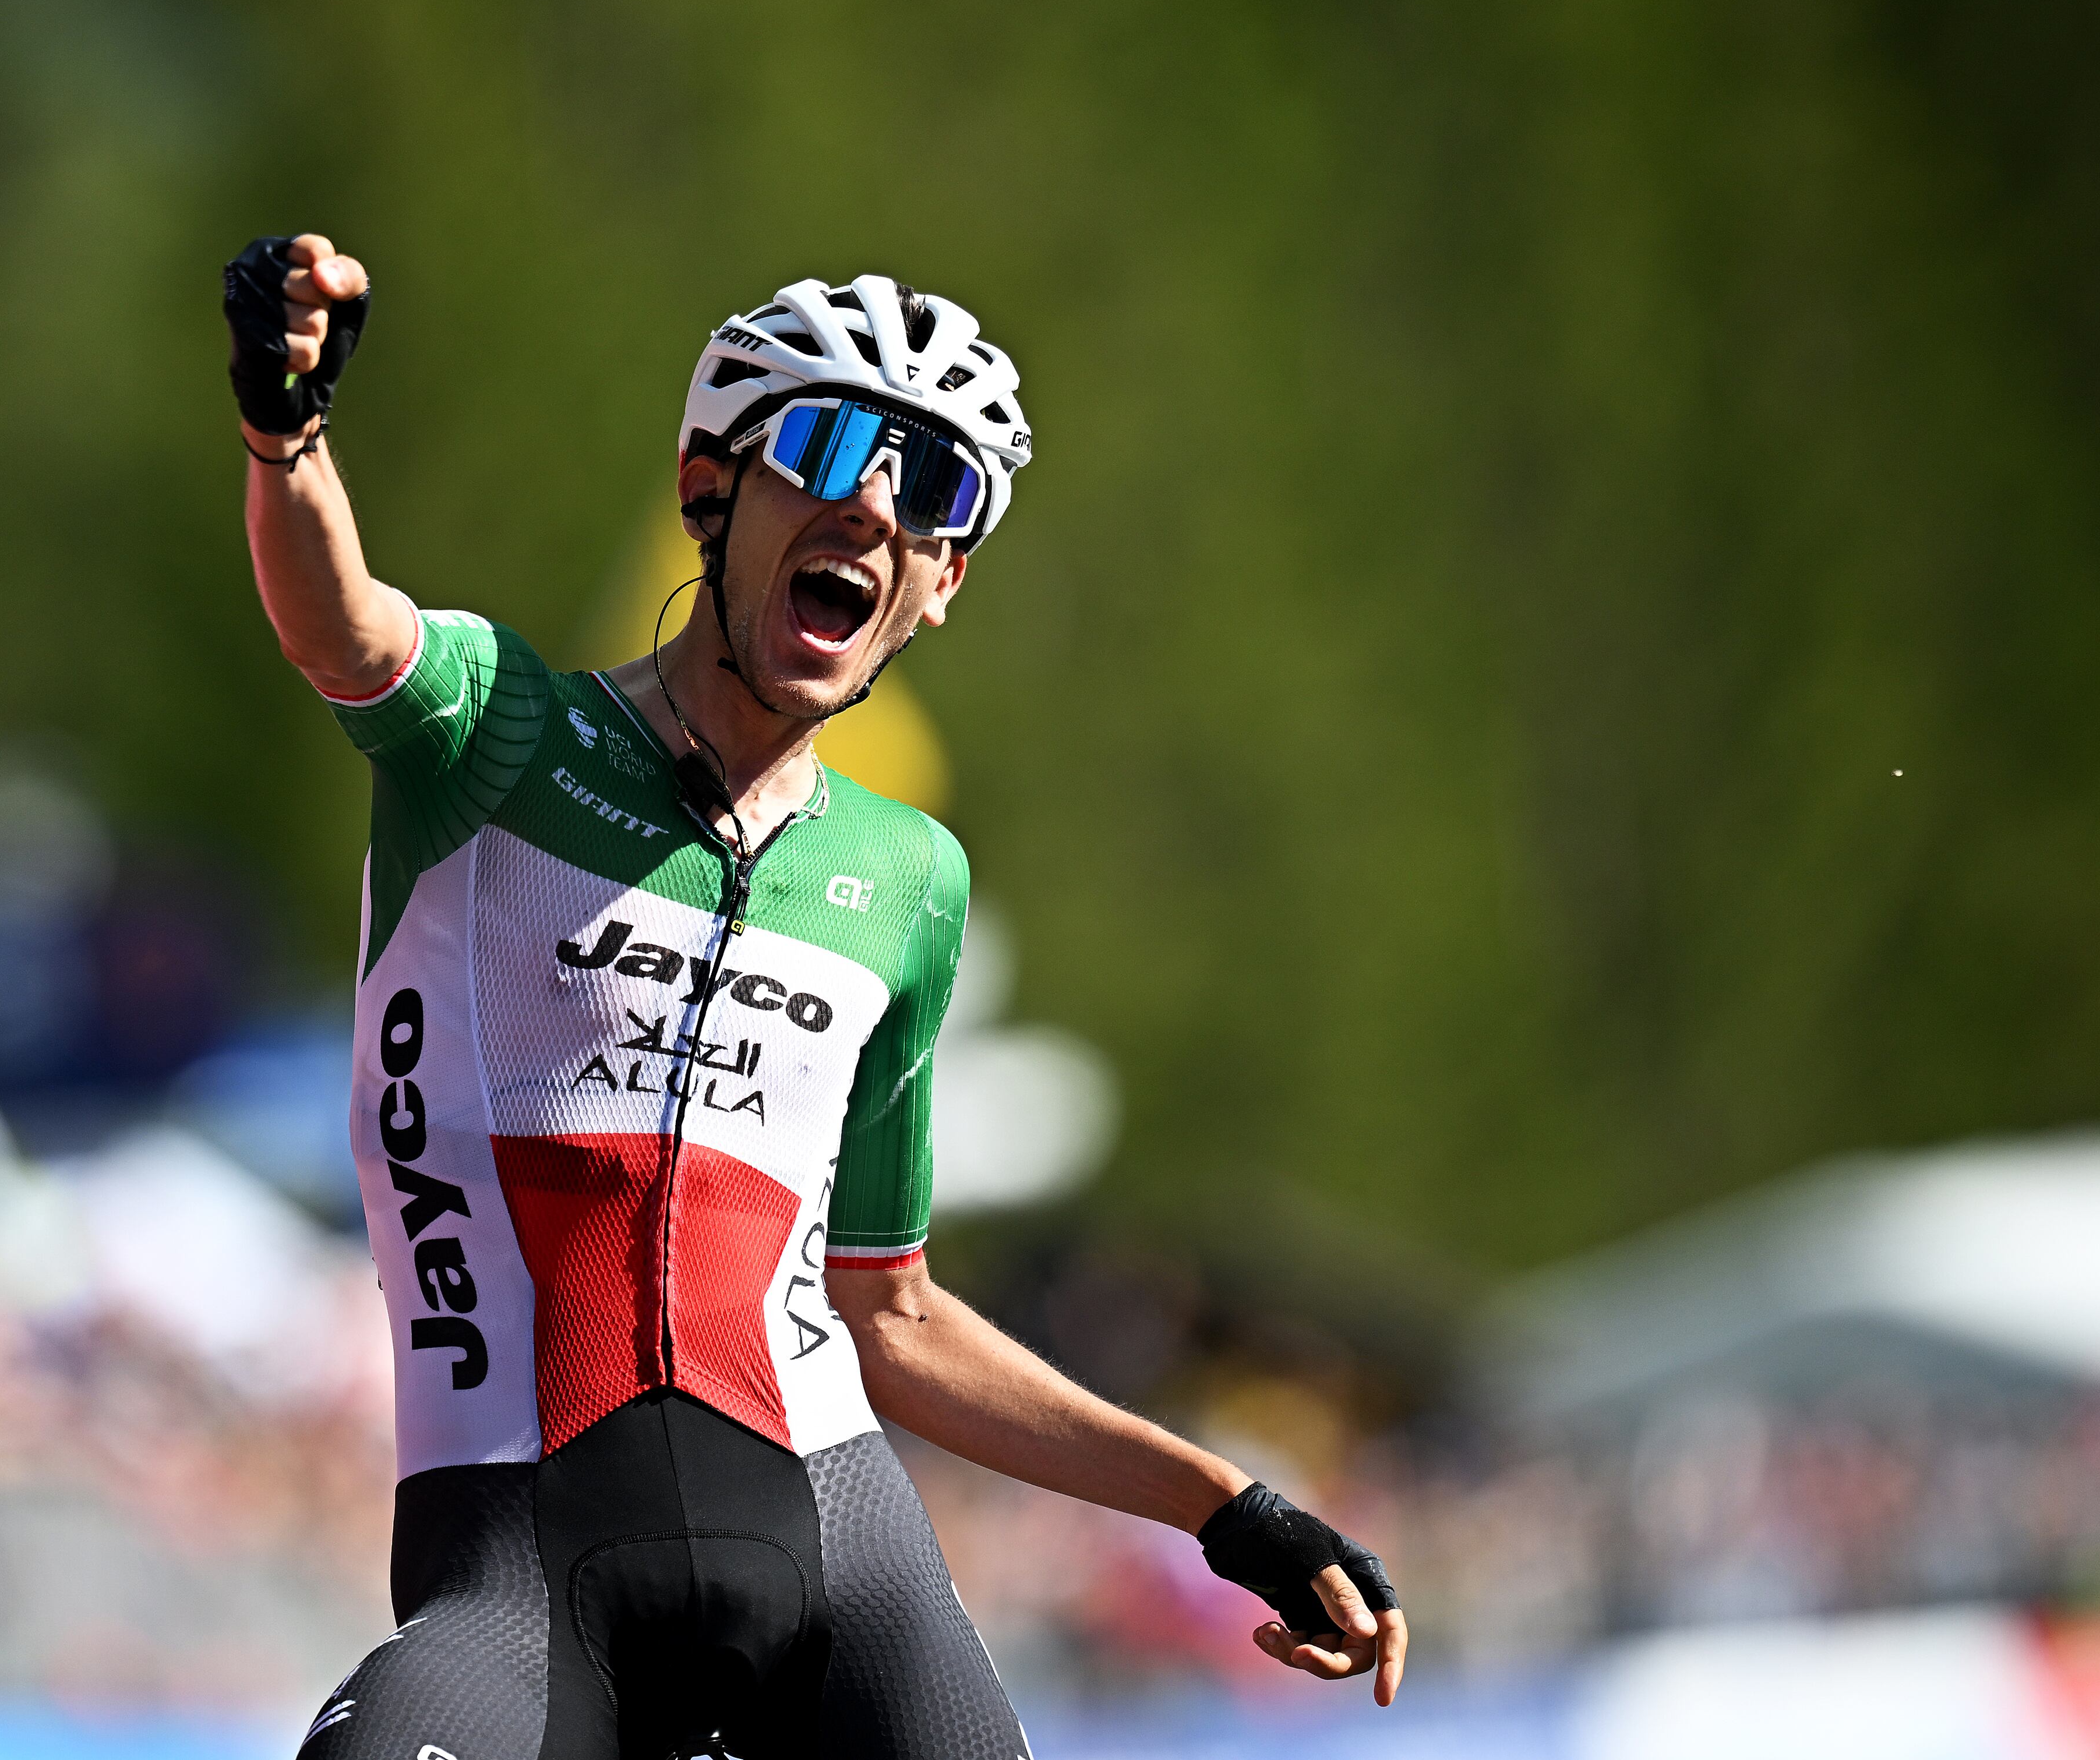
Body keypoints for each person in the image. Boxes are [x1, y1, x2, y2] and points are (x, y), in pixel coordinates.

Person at [225, 234, 1407, 1759]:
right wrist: (285, 431)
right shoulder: (507, 735)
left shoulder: (908, 878)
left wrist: (1223, 1504)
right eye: (827, 444)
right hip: (521, 1575)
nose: (871, 503)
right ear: (709, 486)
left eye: (934, 491)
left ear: (940, 587)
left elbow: (893, 1311)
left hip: (844, 1573)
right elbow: (340, 622)